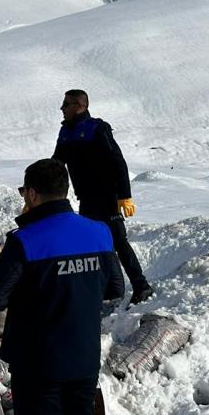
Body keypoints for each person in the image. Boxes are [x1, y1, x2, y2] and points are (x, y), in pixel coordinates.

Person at [0, 159, 124, 415]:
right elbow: (115, 287)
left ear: (31, 193)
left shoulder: (27, 240)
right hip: (84, 357)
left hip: (38, 363)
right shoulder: (98, 232)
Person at [52, 89, 154, 305]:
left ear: (80, 106)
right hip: (86, 199)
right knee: (92, 244)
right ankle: (108, 290)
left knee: (118, 242)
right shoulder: (66, 133)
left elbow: (118, 161)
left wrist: (124, 196)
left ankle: (142, 286)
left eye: (66, 104)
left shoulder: (97, 128)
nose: (62, 108)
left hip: (108, 197)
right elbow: (55, 166)